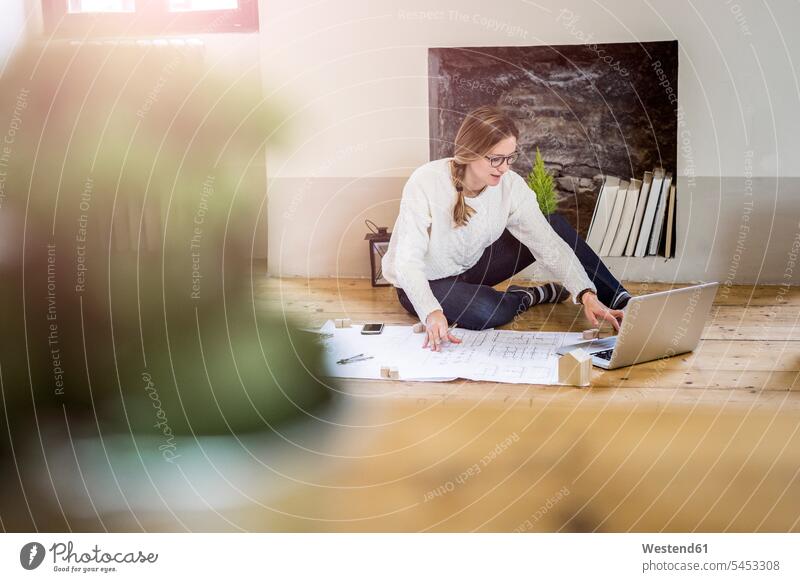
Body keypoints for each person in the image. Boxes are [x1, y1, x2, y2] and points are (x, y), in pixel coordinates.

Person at [382, 105, 631, 351]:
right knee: (484, 312)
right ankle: (528, 296)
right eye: (496, 159)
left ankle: (621, 302)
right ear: (470, 152)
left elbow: (547, 243)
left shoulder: (510, 185)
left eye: (510, 158)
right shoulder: (426, 182)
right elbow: (407, 262)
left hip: (470, 267)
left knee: (553, 224)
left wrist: (585, 292)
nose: (504, 168)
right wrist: (431, 311)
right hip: (424, 281)